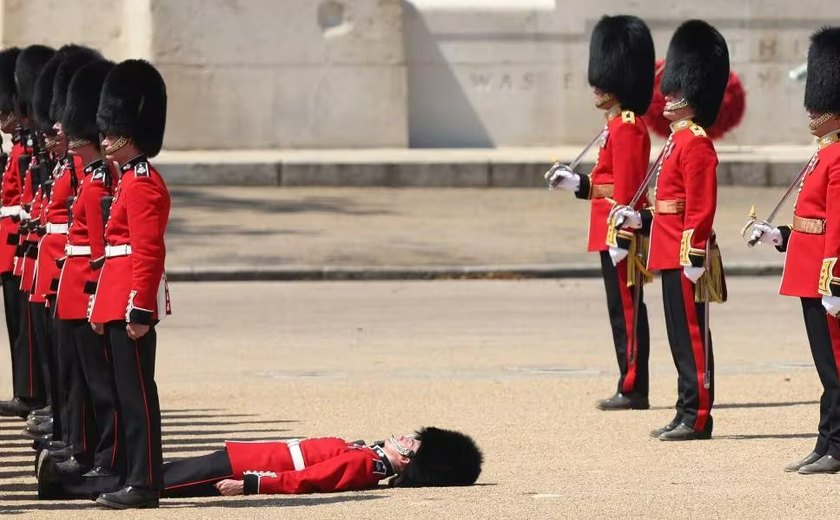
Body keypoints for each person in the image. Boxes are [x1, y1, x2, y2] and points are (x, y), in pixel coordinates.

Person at [611, 20, 729, 441]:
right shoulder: (676, 142)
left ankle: (698, 414)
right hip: (667, 247)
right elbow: (667, 205)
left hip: (685, 253)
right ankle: (685, 409)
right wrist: (637, 220)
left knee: (692, 335)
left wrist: (695, 251)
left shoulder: (695, 142)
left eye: (675, 92)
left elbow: (700, 205)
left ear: (691, 96)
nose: (667, 96)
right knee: (679, 336)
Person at [545, 15, 655, 411]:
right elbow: (607, 184)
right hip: (607, 228)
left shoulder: (627, 127)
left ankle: (632, 386)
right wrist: (576, 184)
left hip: (618, 234)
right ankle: (629, 382)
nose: (596, 85)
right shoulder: (614, 127)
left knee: (626, 309)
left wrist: (621, 238)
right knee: (619, 309)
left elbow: (628, 190)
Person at [750, 26, 840, 474]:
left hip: (827, 276)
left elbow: (839, 224)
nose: (813, 110)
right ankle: (826, 441)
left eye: (821, 103)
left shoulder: (839, 155)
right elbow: (813, 220)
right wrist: (778, 235)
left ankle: (837, 446)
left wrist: (836, 279)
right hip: (808, 270)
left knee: (837, 369)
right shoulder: (822, 154)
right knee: (827, 369)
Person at [88, 59, 171, 509]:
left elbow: (146, 252)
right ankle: (137, 476)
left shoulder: (141, 184)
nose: (103, 139)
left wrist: (139, 309)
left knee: (137, 396)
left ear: (129, 132)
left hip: (131, 303)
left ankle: (143, 482)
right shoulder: (127, 182)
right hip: (118, 297)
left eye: (109, 131)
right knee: (127, 394)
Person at [37, 426, 483, 504]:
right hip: (244, 455)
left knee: (157, 481)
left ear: (409, 460)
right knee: (161, 472)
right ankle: (72, 482)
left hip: (245, 465)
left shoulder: (368, 466)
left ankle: (66, 487)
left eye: (415, 442)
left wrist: (252, 485)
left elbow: (309, 480)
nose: (408, 436)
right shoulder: (368, 455)